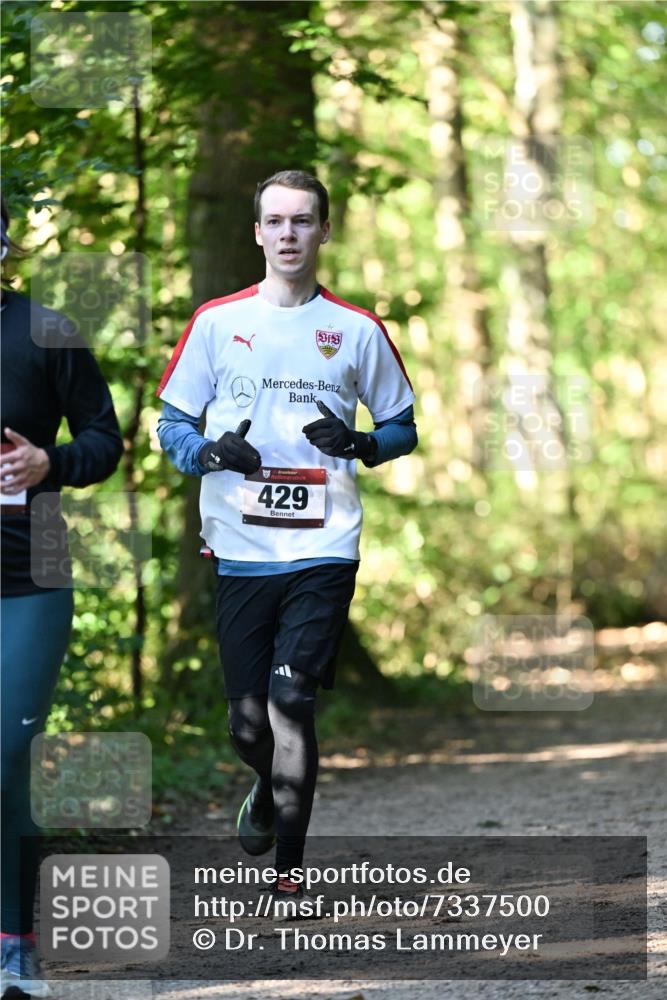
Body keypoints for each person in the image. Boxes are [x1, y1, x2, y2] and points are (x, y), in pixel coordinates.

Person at [157, 169, 417, 905]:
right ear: (256, 233)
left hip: (324, 544)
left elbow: (402, 427)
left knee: (291, 699)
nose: (289, 235)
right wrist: (210, 453)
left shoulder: (357, 330)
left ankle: (289, 871)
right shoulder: (215, 321)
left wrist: (362, 443)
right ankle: (264, 788)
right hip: (240, 547)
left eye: (303, 221)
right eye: (275, 222)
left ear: (324, 231)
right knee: (248, 727)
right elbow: (170, 425)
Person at [0, 195, 123, 997]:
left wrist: (51, 464)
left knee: (4, 752)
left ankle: (12, 945)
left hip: (29, 581)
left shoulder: (47, 330)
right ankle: (17, 928)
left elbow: (105, 440)